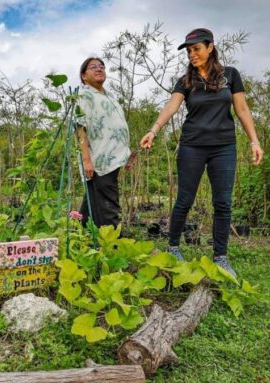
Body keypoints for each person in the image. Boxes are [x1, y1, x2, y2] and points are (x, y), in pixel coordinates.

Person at [139, 28, 264, 277]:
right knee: (184, 199)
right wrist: (154, 130)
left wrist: (254, 141)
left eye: (196, 49)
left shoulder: (230, 75)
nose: (192, 54)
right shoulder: (186, 81)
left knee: (223, 203)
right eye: (188, 51)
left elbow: (241, 109)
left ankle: (220, 256)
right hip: (192, 146)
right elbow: (172, 105)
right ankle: (173, 247)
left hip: (224, 147)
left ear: (210, 47)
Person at [76, 57, 131, 229]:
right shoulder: (84, 95)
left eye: (101, 67)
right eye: (93, 67)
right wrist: (86, 160)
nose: (99, 69)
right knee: (108, 203)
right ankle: (113, 243)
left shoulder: (110, 95)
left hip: (113, 156)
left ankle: (81, 233)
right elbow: (80, 127)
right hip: (100, 158)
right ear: (84, 76)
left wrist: (126, 155)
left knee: (93, 199)